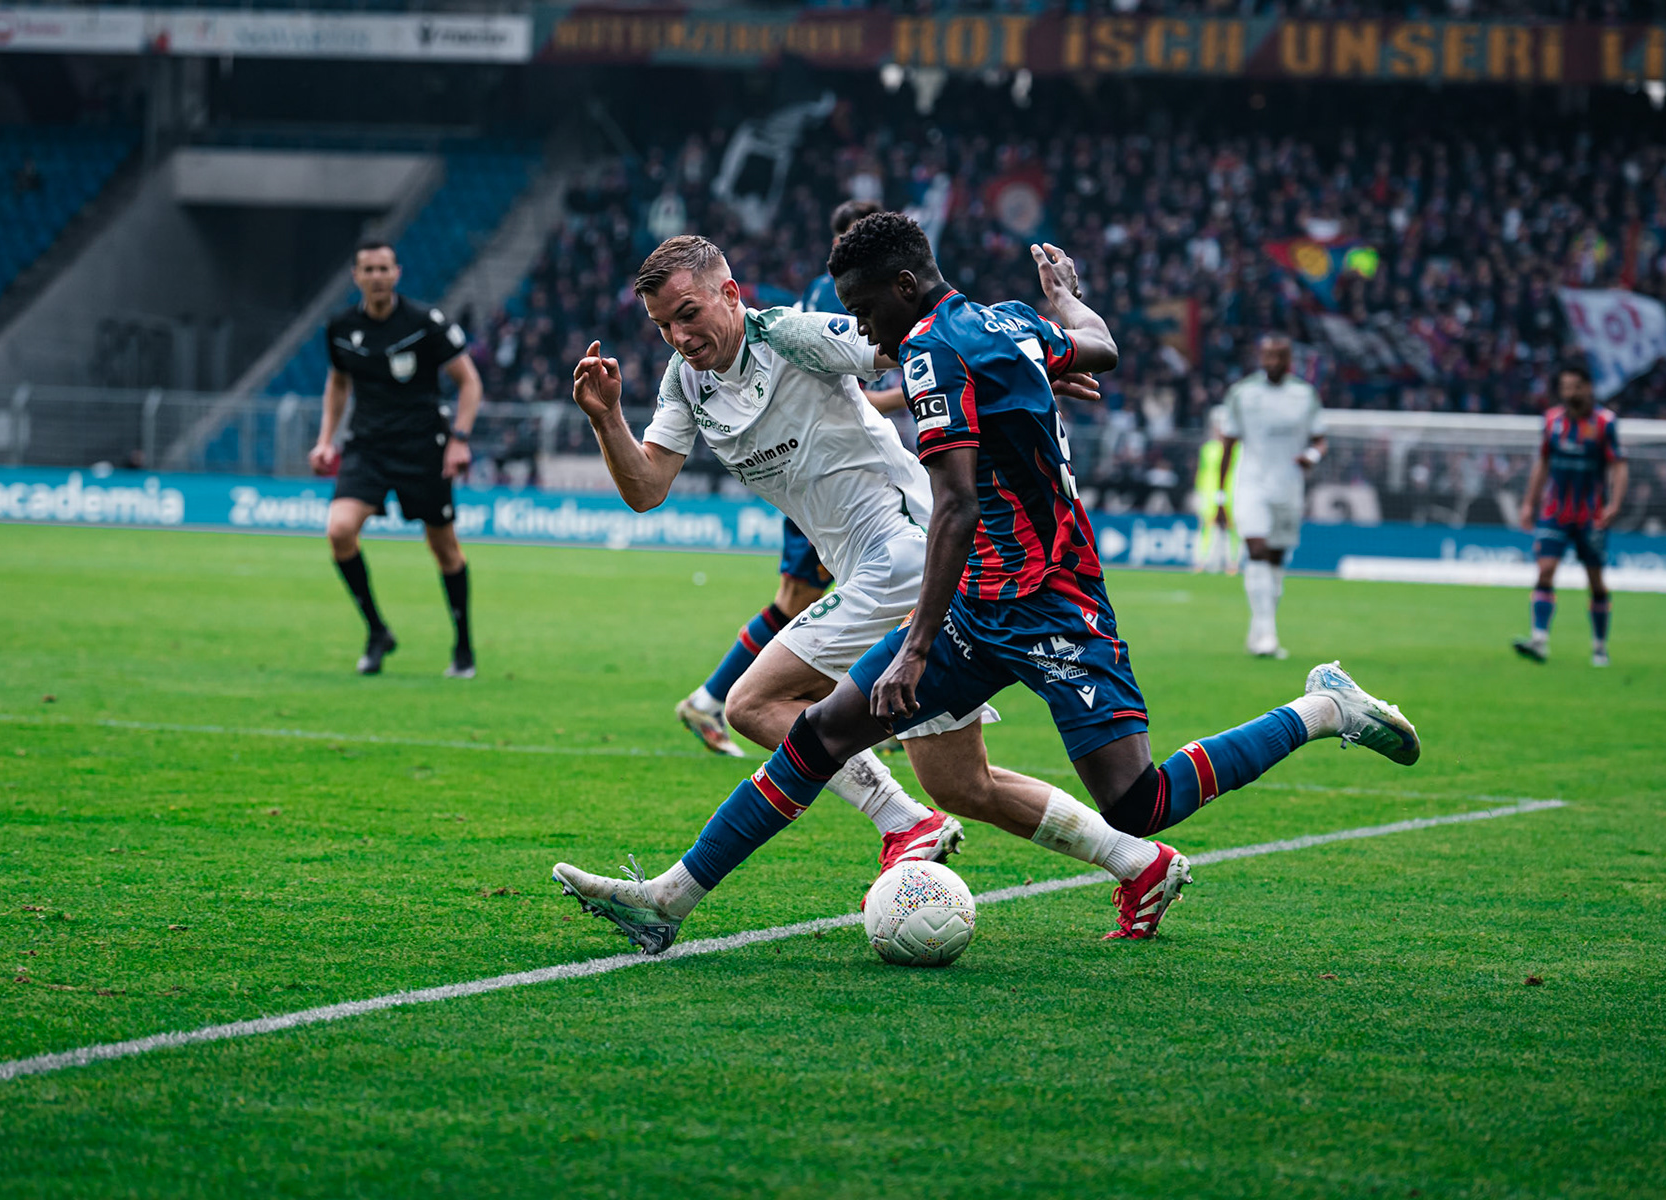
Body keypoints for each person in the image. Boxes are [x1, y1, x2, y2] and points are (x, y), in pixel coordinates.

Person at [552, 214, 1420, 956]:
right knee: (902, 763)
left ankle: (1320, 711)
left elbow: (956, 499)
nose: (678, 336)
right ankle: (673, 901)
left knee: (1139, 797)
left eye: (864, 311)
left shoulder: (882, 346)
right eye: (665, 325)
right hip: (972, 597)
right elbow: (1101, 346)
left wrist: (917, 648)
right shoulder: (999, 326)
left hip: (1020, 592)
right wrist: (1061, 302)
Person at [572, 234, 968, 873]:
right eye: (663, 326)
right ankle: (1139, 861)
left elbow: (912, 334)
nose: (678, 336)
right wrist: (606, 418)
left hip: (906, 546)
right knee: (964, 780)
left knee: (751, 703)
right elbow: (646, 489)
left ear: (730, 294)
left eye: (689, 314)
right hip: (870, 567)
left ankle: (905, 823)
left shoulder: (791, 335)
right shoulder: (685, 383)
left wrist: (1043, 363)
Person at [676, 198, 905, 756]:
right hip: (824, 471)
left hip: (823, 470)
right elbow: (859, 390)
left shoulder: (823, 293)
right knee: (804, 596)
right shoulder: (837, 300)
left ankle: (891, 704)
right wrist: (912, 395)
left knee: (803, 596)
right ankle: (717, 698)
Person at [309, 240, 484, 677]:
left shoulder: (426, 322)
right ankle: (377, 631)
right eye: (368, 269)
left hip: (424, 447)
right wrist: (325, 439)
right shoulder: (341, 327)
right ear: (356, 276)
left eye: (383, 268)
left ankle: (463, 647)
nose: (376, 276)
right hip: (367, 447)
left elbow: (469, 382)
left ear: (397, 273)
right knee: (339, 531)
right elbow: (338, 384)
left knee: (443, 548)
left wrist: (459, 439)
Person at [1217, 334, 1325, 659]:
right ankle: (1266, 633)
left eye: (1277, 357)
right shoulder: (1243, 394)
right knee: (1258, 550)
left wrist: (1312, 456)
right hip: (1251, 484)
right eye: (1266, 356)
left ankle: (1262, 627)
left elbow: (1320, 439)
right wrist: (1221, 497)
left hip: (1289, 487)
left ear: (1289, 360)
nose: (1271, 363)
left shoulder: (1305, 395)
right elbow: (1228, 444)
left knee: (1277, 558)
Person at [1513, 362, 1627, 667]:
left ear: (1588, 387)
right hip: (1554, 513)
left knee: (1596, 581)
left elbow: (1618, 464)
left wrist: (1614, 503)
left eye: (1575, 386)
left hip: (1591, 516)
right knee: (1545, 570)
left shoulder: (1605, 423)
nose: (1570, 393)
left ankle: (1599, 647)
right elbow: (1543, 463)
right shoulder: (1552, 421)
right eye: (1565, 387)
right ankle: (1539, 640)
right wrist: (1529, 503)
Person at [1193, 433, 1241, 575]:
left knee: (1232, 527)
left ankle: (1232, 562)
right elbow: (1202, 470)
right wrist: (1199, 491)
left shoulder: (1238, 449)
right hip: (1209, 492)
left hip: (1232, 491)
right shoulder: (1208, 448)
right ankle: (1202, 560)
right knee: (1207, 526)